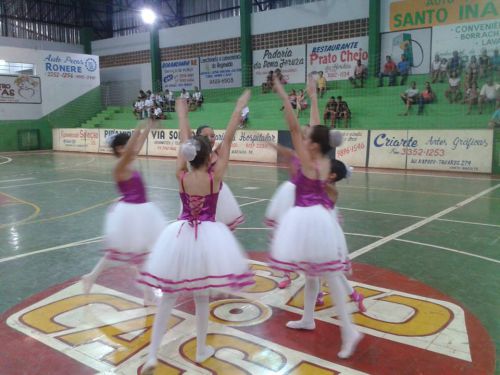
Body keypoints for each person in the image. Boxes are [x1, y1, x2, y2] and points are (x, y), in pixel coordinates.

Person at [139, 93, 253, 375]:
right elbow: (226, 143)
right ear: (207, 156)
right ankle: (202, 349)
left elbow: (183, 144)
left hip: (180, 235)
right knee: (202, 297)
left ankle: (153, 354)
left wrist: (182, 115)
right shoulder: (215, 178)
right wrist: (237, 111)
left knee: (168, 296)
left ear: (188, 155)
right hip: (208, 238)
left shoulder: (182, 175)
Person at [271, 76, 362, 359]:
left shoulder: (312, 159)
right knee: (312, 276)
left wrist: (285, 96)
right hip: (313, 219)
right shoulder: (323, 156)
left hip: (311, 220)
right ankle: (308, 318)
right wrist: (312, 97)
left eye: (309, 138)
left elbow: (294, 126)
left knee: (330, 277)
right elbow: (312, 127)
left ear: (313, 144)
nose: (305, 137)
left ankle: (350, 331)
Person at [81, 120, 166, 305]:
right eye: (127, 145)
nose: (132, 147)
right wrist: (137, 128)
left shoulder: (129, 160)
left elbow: (137, 146)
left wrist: (148, 128)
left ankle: (93, 277)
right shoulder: (120, 166)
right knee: (132, 254)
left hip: (141, 210)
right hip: (132, 214)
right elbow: (132, 150)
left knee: (138, 254)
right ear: (120, 149)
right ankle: (146, 294)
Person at [195, 125, 245, 230]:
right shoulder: (193, 156)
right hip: (197, 199)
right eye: (206, 136)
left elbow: (228, 139)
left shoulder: (217, 153)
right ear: (198, 138)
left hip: (217, 199)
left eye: (212, 136)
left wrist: (235, 125)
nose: (210, 139)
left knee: (218, 232)